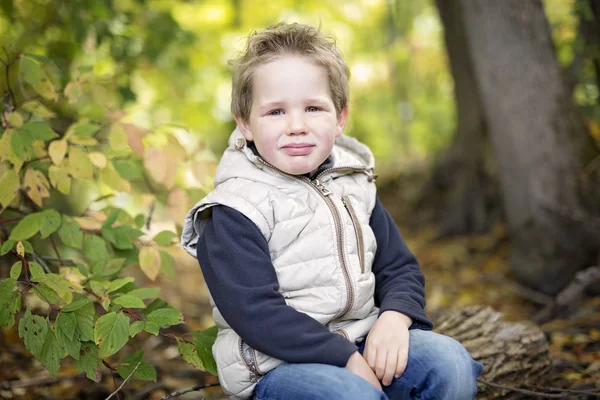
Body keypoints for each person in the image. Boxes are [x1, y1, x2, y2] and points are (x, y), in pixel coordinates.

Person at [181, 22, 482, 400]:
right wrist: (345, 359)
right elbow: (256, 314)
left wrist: (395, 317)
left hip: (365, 337)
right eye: (275, 112)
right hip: (281, 367)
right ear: (245, 124)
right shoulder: (234, 209)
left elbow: (399, 267)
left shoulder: (353, 184)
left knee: (450, 364)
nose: (296, 126)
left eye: (313, 108)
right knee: (349, 395)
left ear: (340, 118)